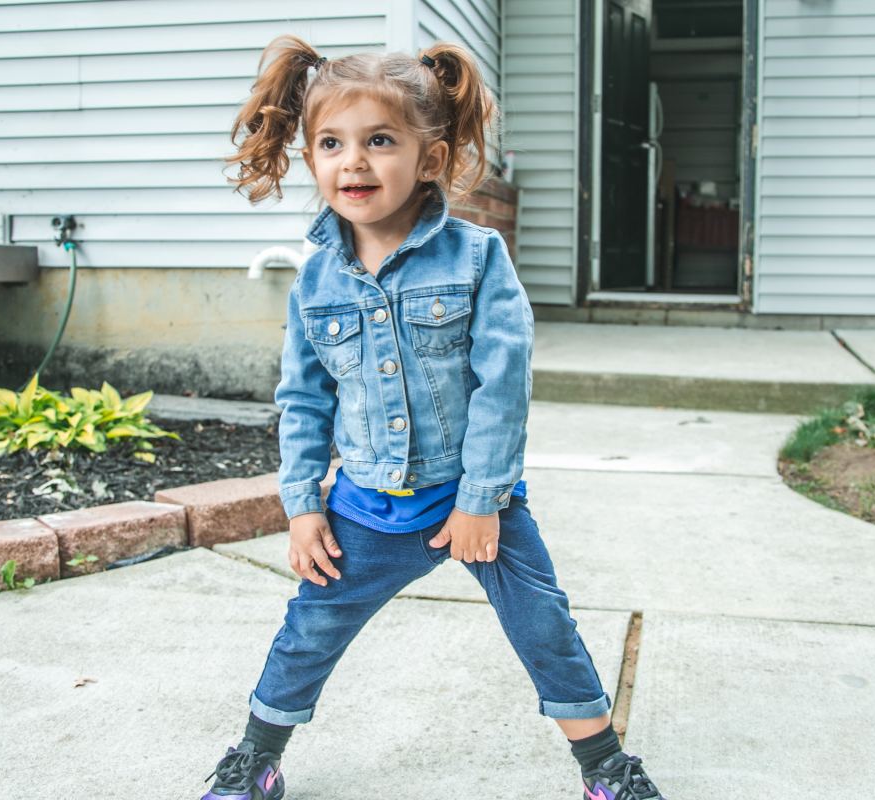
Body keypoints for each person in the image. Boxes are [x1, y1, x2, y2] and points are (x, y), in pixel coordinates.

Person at [202, 34, 666, 800]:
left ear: (430, 158)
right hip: (368, 505)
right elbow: (304, 400)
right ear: (310, 156)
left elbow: (503, 386)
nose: (354, 161)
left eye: (379, 141)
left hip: (475, 500)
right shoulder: (315, 281)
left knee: (544, 626)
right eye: (332, 143)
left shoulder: (477, 259)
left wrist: (481, 499)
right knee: (310, 630)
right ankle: (256, 755)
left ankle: (605, 768)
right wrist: (302, 507)